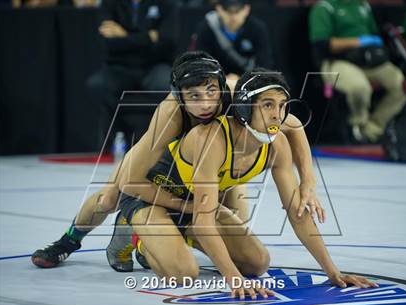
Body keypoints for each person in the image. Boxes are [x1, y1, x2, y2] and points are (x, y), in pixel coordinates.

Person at [31, 51, 319, 273]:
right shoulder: (171, 113)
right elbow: (133, 178)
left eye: (211, 93)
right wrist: (186, 207)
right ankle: (69, 241)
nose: (206, 104)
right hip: (159, 163)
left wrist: (308, 181)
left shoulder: (235, 94)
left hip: (208, 166)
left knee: (235, 218)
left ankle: (171, 238)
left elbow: (290, 123)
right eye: (193, 96)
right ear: (179, 95)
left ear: (221, 87)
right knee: (109, 197)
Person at [113, 68, 378, 299]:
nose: (278, 115)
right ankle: (141, 240)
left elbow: (298, 215)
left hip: (195, 203)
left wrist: (333, 272)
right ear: (243, 107)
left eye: (283, 105)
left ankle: (179, 237)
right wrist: (233, 278)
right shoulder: (212, 138)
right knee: (183, 274)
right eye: (268, 105)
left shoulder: (277, 144)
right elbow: (203, 222)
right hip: (153, 197)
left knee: (257, 263)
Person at [309, 0, 406, 143]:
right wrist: (358, 41)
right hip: (337, 62)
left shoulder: (362, 5)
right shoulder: (324, 7)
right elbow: (322, 45)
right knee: (360, 87)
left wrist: (374, 43)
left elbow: (374, 32)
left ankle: (371, 130)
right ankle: (357, 125)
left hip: (369, 61)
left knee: (401, 84)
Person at [87, 0, 178, 148]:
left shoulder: (166, 3)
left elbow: (168, 41)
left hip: (155, 65)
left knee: (169, 87)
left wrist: (124, 34)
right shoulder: (110, 3)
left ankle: (166, 144)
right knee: (98, 85)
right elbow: (109, 44)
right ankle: (106, 145)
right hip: (120, 66)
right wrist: (149, 37)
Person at [192, 0, 273, 89]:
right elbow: (202, 63)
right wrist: (221, 79)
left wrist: (241, 78)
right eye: (228, 11)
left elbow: (264, 64)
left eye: (237, 11)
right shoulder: (207, 28)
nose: (233, 17)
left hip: (249, 84)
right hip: (216, 84)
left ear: (246, 10)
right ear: (219, 9)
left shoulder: (257, 29)